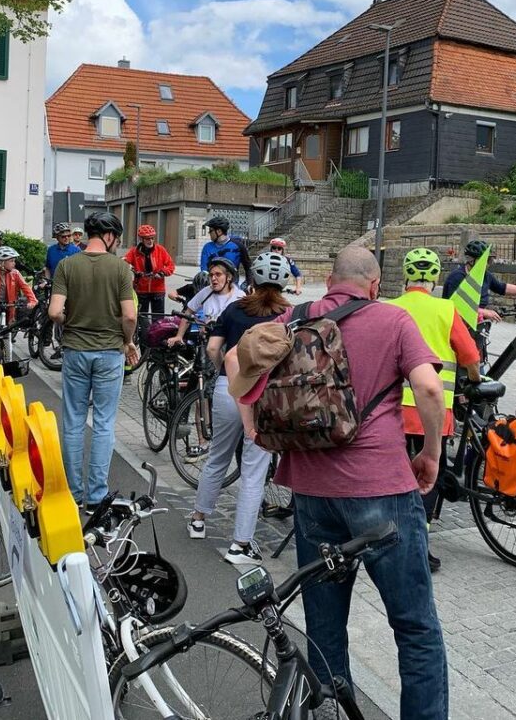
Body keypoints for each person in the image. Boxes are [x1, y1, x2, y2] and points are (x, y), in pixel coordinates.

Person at [235, 245, 448, 720]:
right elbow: (430, 388)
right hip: (382, 493)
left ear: (330, 280)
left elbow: (235, 360)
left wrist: (254, 428)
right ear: (375, 285)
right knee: (415, 627)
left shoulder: (294, 317)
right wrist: (430, 453)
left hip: (311, 494)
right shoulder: (392, 320)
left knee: (325, 628)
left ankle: (331, 714)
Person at [188, 252, 293, 565]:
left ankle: (197, 520)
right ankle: (240, 544)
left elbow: (212, 347)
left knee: (218, 456)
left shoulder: (234, 308)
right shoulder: (289, 314)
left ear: (254, 278)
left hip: (227, 389)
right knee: (253, 469)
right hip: (265, 395)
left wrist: (226, 374)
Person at [387, 248, 480, 573]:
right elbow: (470, 357)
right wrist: (475, 379)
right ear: (436, 277)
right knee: (429, 476)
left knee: (395, 472)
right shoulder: (446, 309)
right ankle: (419, 543)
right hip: (432, 410)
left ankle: (389, 534)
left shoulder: (390, 307)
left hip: (393, 410)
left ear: (405, 275)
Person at [48, 212, 139, 508]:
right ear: (110, 236)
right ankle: (96, 495)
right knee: (103, 423)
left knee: (73, 421)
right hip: (110, 353)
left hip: (75, 350)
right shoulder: (120, 268)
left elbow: (53, 312)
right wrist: (127, 342)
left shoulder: (66, 264)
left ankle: (73, 495)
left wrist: (69, 320)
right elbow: (129, 315)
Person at [441, 239, 516, 321]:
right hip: (458, 325)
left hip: (479, 323)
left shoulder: (485, 275)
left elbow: (502, 288)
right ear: (471, 260)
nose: (488, 263)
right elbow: (454, 306)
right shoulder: (457, 277)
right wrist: (483, 312)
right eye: (485, 260)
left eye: (489, 260)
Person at [166, 256, 243, 351]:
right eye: (211, 275)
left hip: (231, 343)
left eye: (218, 274)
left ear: (229, 277)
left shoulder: (240, 296)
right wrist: (179, 336)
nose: (213, 278)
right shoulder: (206, 292)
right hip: (208, 341)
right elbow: (188, 312)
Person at [124, 225, 176, 320]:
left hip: (158, 290)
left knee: (158, 319)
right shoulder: (134, 252)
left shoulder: (160, 250)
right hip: (141, 290)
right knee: (141, 317)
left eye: (152, 238)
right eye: (147, 239)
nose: (150, 241)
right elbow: (123, 263)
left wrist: (162, 273)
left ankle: (157, 334)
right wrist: (131, 269)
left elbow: (171, 266)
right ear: (142, 239)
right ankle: (142, 334)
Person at [199, 216, 252, 284]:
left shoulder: (238, 246)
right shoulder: (207, 247)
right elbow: (204, 271)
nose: (209, 233)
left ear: (219, 231)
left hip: (232, 288)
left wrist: (250, 284)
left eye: (210, 230)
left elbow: (248, 267)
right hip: (213, 287)